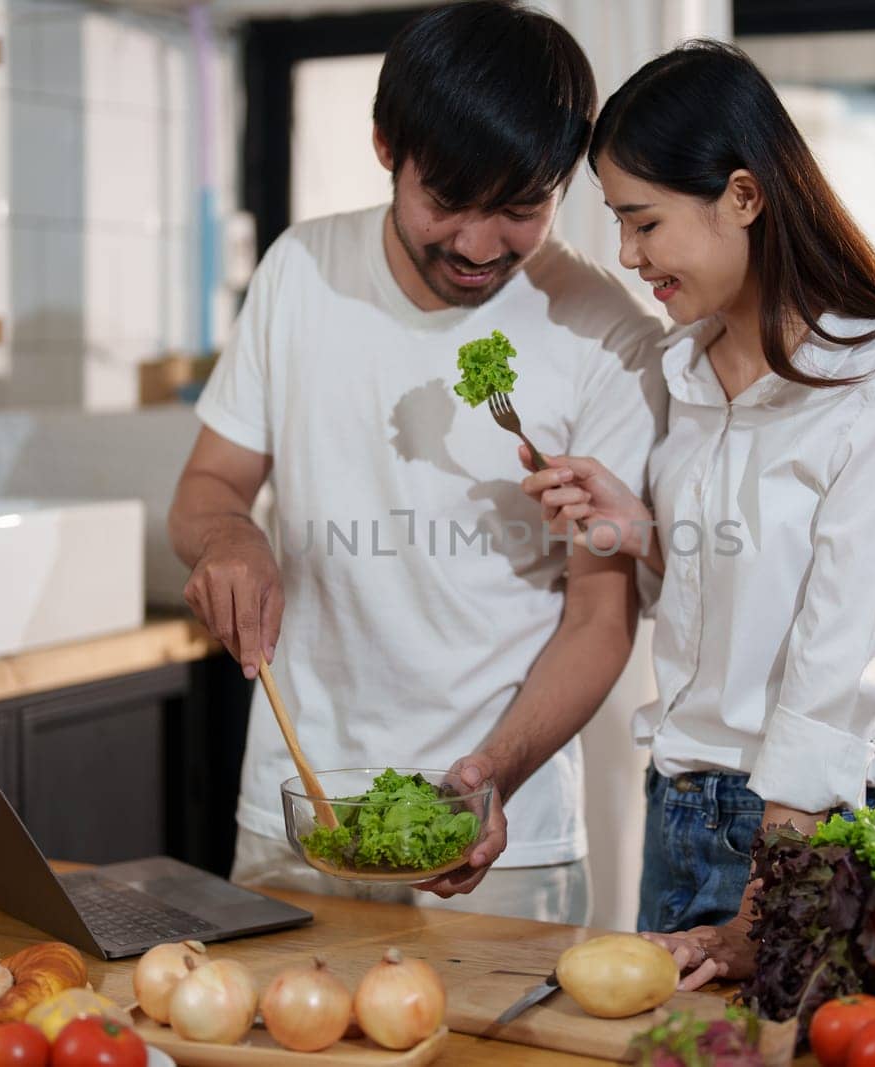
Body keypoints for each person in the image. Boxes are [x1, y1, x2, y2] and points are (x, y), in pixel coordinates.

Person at [168, 0, 665, 925]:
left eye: (521, 209)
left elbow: (601, 615)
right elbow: (207, 487)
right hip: (296, 817)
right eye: (446, 200)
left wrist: (487, 782)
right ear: (385, 146)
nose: (478, 247)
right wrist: (229, 539)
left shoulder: (607, 336)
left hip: (498, 842)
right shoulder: (300, 271)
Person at [521, 40, 875, 980]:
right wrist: (647, 536)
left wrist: (766, 908)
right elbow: (743, 604)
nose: (628, 256)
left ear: (744, 195)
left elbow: (837, 671)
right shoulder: (691, 370)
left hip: (804, 833)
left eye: (644, 222)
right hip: (681, 811)